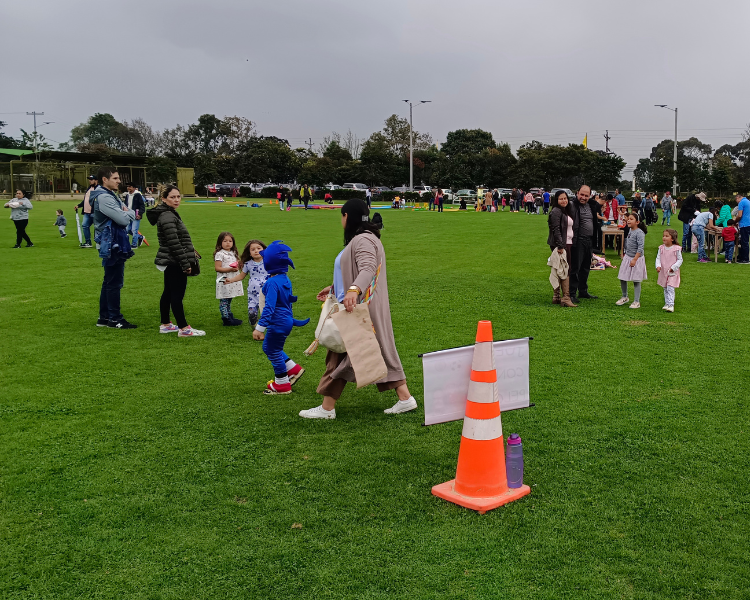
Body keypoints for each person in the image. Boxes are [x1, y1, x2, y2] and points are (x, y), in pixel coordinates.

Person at [300, 199, 418, 419]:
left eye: (342, 217)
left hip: (358, 308)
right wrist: (336, 286)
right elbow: (355, 270)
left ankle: (327, 408)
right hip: (359, 305)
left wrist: (353, 290)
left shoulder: (362, 240)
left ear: (347, 216)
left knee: (343, 356)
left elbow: (367, 268)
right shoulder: (365, 238)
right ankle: (405, 398)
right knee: (376, 351)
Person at [146, 185, 205, 337]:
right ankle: (184, 329)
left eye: (178, 196)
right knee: (176, 295)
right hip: (174, 260)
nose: (177, 200)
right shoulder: (167, 216)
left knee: (168, 292)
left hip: (171, 259)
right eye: (172, 197)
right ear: (164, 199)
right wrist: (185, 264)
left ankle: (165, 324)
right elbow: (174, 243)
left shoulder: (169, 213)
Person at [252, 241, 309, 395]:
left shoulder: (271, 283)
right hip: (285, 321)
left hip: (277, 322)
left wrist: (259, 327)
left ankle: (282, 385)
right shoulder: (284, 279)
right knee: (271, 348)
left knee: (272, 350)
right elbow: (287, 301)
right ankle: (294, 370)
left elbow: (270, 307)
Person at [91, 168, 136, 328]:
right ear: (105, 179)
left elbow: (122, 215)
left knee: (109, 281)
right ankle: (115, 319)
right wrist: (130, 212)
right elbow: (124, 219)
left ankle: (104, 318)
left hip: (111, 242)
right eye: (115, 178)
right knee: (114, 282)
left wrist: (125, 213)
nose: (119, 181)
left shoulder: (108, 195)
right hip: (111, 243)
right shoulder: (104, 197)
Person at [224, 239, 268, 328]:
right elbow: (241, 276)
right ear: (249, 253)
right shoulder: (248, 264)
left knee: (267, 313)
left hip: (267, 292)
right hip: (253, 293)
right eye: (253, 249)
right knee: (252, 313)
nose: (256, 251)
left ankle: (267, 330)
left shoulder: (269, 262)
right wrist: (231, 280)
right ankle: (254, 325)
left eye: (259, 248)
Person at [546, 190, 577, 307]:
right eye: (561, 199)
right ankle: (566, 298)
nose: (564, 201)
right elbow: (556, 229)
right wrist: (560, 245)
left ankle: (557, 296)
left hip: (566, 243)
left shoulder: (564, 211)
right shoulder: (556, 211)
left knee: (560, 268)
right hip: (562, 245)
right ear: (556, 200)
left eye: (565, 198)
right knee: (564, 269)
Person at [568, 185, 598, 302]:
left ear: (590, 196)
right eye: (582, 195)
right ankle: (571, 293)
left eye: (586, 195)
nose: (583, 198)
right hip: (577, 240)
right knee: (575, 267)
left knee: (586, 267)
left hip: (589, 240)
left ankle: (583, 291)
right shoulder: (572, 205)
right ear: (577, 193)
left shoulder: (592, 205)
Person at [616, 213, 648, 309]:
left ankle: (636, 301)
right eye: (628, 219)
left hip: (636, 259)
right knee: (622, 277)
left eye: (631, 219)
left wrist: (635, 259)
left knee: (636, 280)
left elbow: (640, 248)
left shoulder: (639, 233)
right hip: (627, 257)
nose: (628, 220)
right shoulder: (630, 230)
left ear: (637, 222)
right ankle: (625, 296)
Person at [214, 232, 243, 326]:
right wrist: (230, 269)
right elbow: (217, 268)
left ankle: (230, 316)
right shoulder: (220, 254)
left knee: (229, 298)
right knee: (224, 299)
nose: (228, 243)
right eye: (225, 241)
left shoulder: (233, 253)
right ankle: (226, 318)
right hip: (224, 279)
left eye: (230, 241)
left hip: (232, 278)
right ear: (220, 242)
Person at [655, 229, 683, 312]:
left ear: (672, 239)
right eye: (664, 236)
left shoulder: (676, 249)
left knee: (670, 287)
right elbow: (658, 258)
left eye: (667, 236)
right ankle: (667, 303)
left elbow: (680, 260)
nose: (664, 237)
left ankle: (671, 304)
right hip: (663, 271)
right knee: (665, 287)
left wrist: (674, 267)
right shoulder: (661, 248)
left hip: (672, 272)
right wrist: (658, 266)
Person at [74, 175, 97, 247]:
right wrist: (79, 205)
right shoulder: (89, 188)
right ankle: (88, 242)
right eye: (89, 180)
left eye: (91, 179)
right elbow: (86, 200)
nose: (90, 181)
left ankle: (99, 242)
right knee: (84, 226)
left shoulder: (98, 189)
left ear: (96, 180)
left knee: (97, 228)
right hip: (87, 212)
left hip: (95, 212)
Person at [123, 183, 146, 248]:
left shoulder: (138, 195)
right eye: (127, 186)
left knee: (134, 230)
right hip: (128, 214)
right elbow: (125, 204)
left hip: (136, 214)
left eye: (130, 187)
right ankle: (140, 237)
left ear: (134, 188)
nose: (128, 188)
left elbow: (142, 205)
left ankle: (134, 244)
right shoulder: (127, 195)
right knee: (127, 230)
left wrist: (140, 214)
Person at [734, 193, 750, 264]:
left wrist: (734, 221)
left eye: (736, 200)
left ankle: (745, 259)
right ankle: (741, 256)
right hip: (748, 223)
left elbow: (739, 215)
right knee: (744, 241)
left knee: (744, 242)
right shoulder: (748, 201)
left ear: (738, 198)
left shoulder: (741, 203)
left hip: (744, 224)